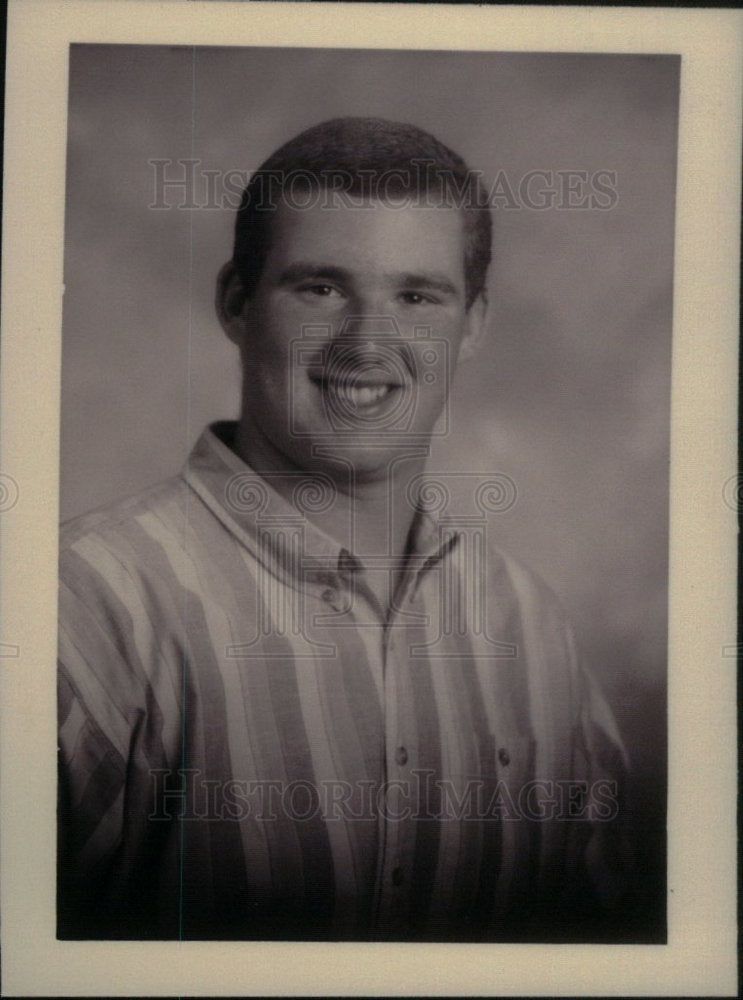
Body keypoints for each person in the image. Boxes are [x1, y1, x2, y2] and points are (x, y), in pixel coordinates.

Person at [58, 117, 631, 941]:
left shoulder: (532, 629)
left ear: (470, 324)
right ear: (234, 300)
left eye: (416, 296)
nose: (368, 342)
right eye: (320, 287)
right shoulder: (82, 609)